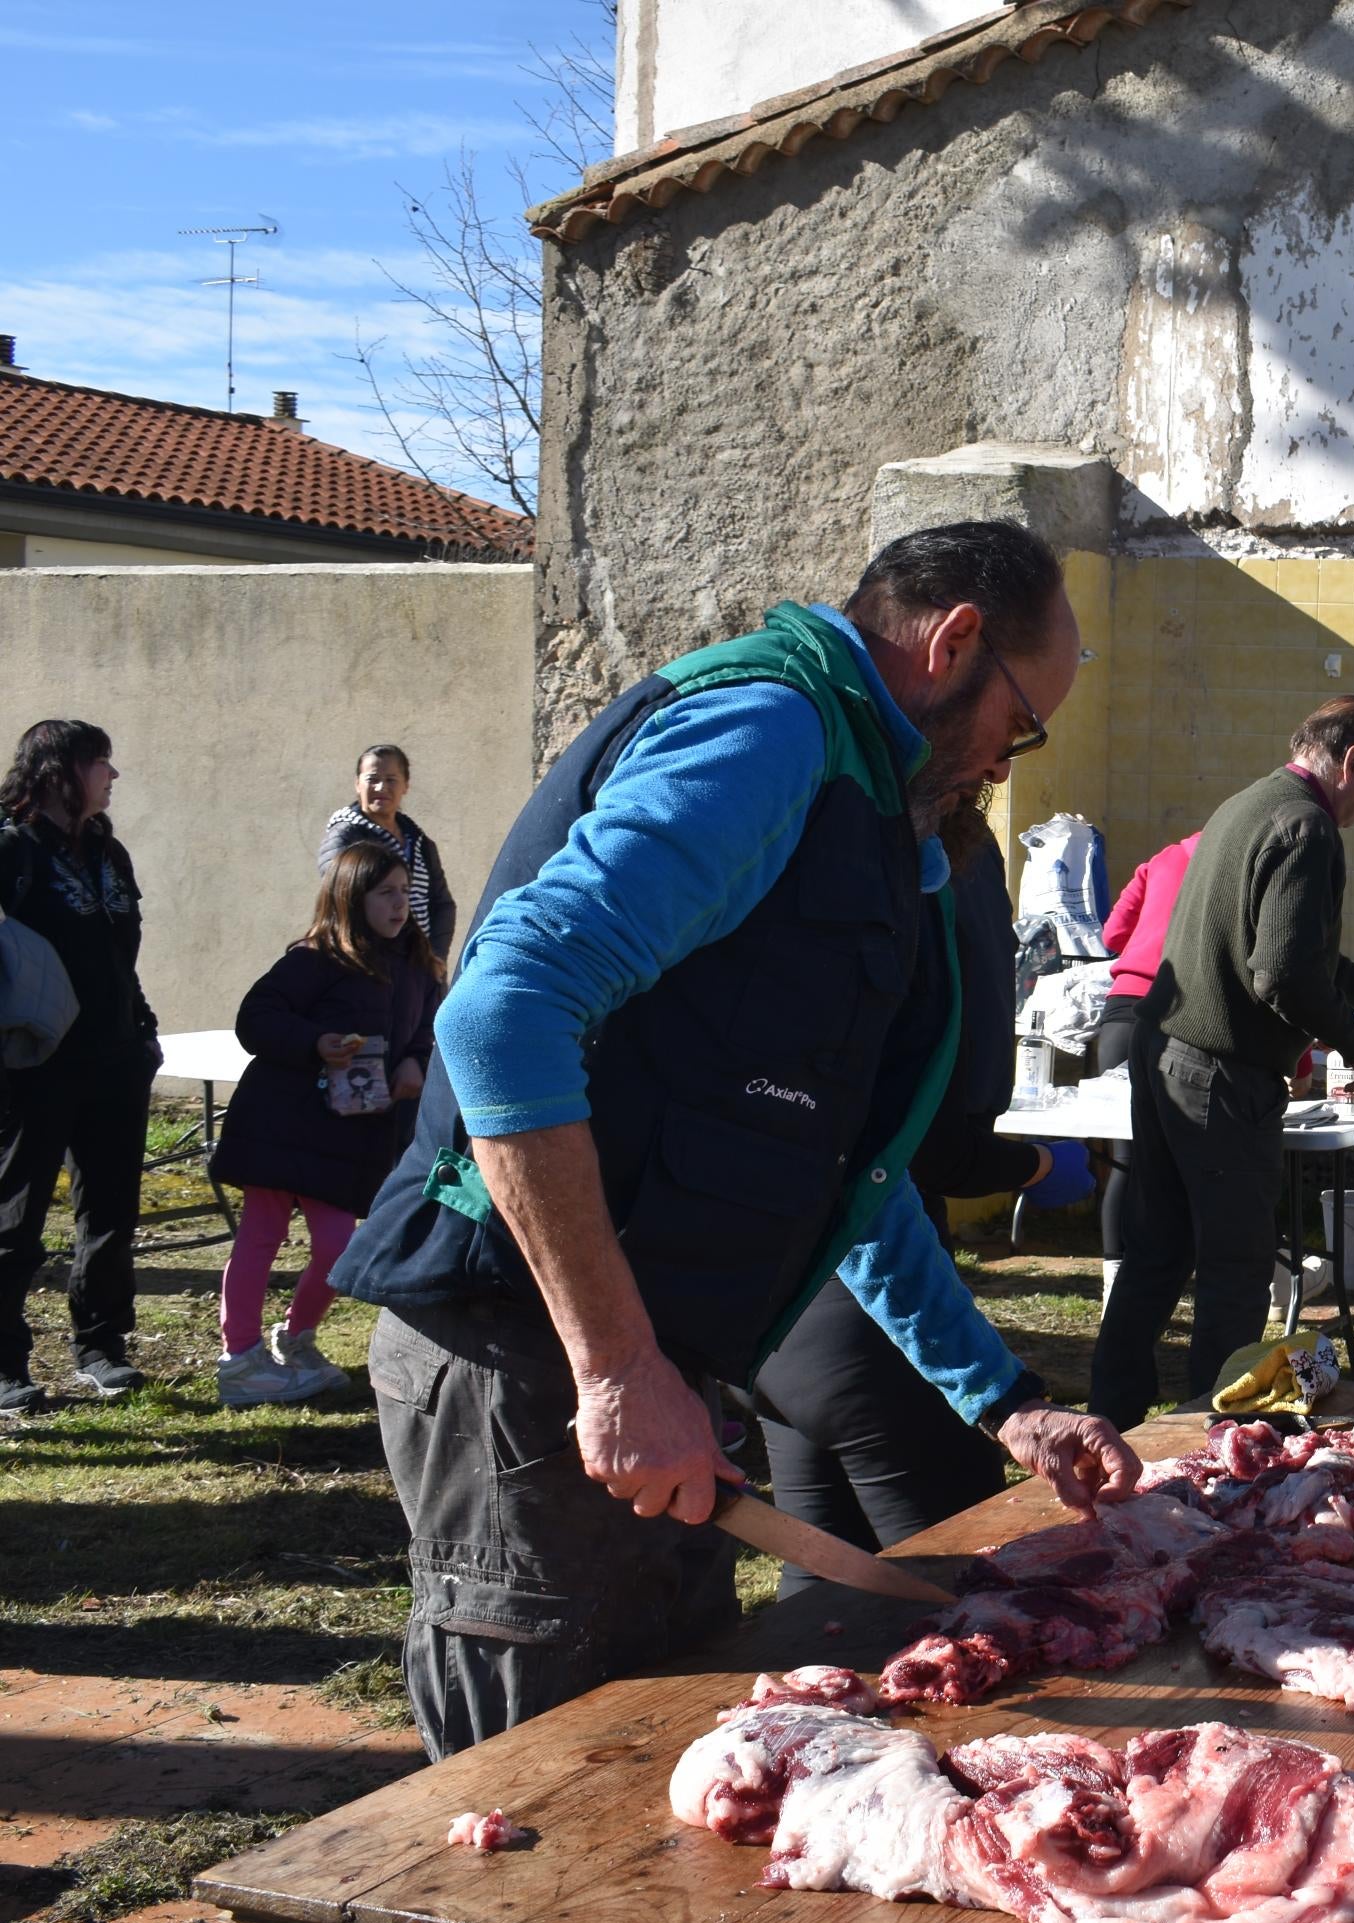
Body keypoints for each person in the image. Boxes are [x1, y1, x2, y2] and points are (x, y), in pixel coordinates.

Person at [331, 520, 1139, 1761]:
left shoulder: (867, 806)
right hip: (526, 1357)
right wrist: (614, 1367)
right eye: (1018, 724)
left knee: (656, 1781)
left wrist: (1007, 1403)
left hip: (654, 1372)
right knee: (540, 1812)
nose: (1002, 762)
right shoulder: (772, 733)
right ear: (955, 642)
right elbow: (500, 1013)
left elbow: (837, 1175)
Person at [755, 812, 1092, 1583]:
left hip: (771, 1312)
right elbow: (928, 1148)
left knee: (824, 1597)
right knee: (966, 1604)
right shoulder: (939, 866)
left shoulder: (817, 841)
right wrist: (1038, 1166)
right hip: (860, 1322)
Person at [1088, 697, 1354, 1424]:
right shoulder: (1309, 826)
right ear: (1352, 760)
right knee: (1234, 1270)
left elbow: (1290, 951)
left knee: (1155, 1255)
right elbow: (1282, 973)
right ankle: (1214, 1438)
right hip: (1221, 1075)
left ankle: (1114, 1420)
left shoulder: (1247, 805)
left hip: (1164, 1052)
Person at [210, 845, 442, 1407]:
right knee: (260, 1237)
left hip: (346, 1137)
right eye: (384, 893)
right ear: (349, 897)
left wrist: (415, 1058)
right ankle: (239, 1360)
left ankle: (297, 1338)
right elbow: (257, 1018)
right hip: (282, 1122)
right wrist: (315, 1044)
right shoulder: (317, 959)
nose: (399, 905)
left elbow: (425, 1028)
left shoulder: (416, 967)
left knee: (339, 1248)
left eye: (404, 892)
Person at [0, 721, 160, 1411]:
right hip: (34, 1065)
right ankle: (5, 1366)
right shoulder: (11, 850)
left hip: (116, 1060)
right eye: (102, 762)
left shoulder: (107, 849)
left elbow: (118, 953)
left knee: (112, 1214)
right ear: (60, 771)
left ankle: (101, 1347)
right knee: (14, 1218)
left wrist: (143, 1027)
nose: (112, 776)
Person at [1093, 829, 1199, 1303]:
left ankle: (1117, 1284)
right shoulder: (1237, 860)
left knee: (1125, 1158)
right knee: (1186, 1159)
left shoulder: (1162, 857)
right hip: (1178, 1015)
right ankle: (1171, 1279)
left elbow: (1112, 934)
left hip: (1119, 1014)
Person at [320, 743, 458, 962]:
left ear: (406, 786)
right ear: (357, 784)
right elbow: (343, 898)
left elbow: (442, 904)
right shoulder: (345, 837)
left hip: (419, 967)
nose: (381, 787)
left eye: (391, 779)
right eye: (372, 779)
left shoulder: (420, 842)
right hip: (369, 964)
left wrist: (435, 957)